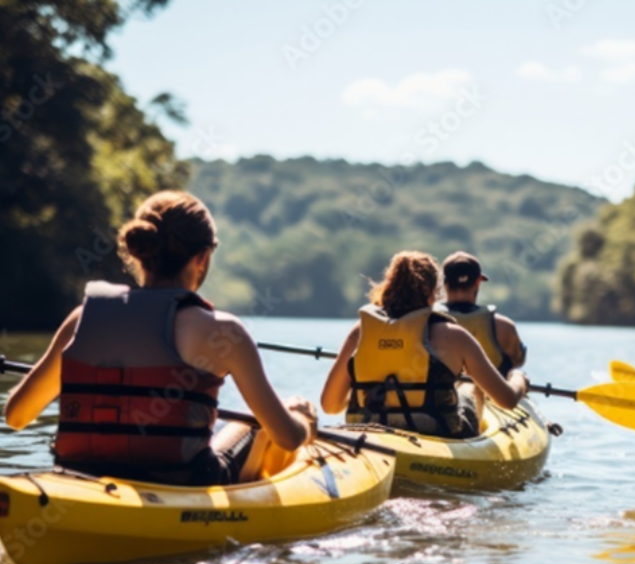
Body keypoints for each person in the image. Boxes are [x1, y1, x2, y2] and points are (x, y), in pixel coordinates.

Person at [3, 191, 318, 486]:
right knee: (262, 424)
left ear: (139, 253)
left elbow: (16, 416)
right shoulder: (226, 333)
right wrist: (301, 420)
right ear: (203, 258)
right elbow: (289, 439)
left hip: (81, 480)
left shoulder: (82, 318)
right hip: (181, 488)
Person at [321, 251, 529, 438]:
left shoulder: (361, 331)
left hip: (371, 430)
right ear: (433, 293)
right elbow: (507, 400)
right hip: (433, 431)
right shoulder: (455, 336)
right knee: (468, 386)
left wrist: (376, 394)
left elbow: (330, 406)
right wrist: (518, 379)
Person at [436, 251, 526, 375]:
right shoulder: (504, 327)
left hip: (443, 393)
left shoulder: (426, 322)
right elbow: (517, 362)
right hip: (488, 393)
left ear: (444, 284)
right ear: (478, 282)